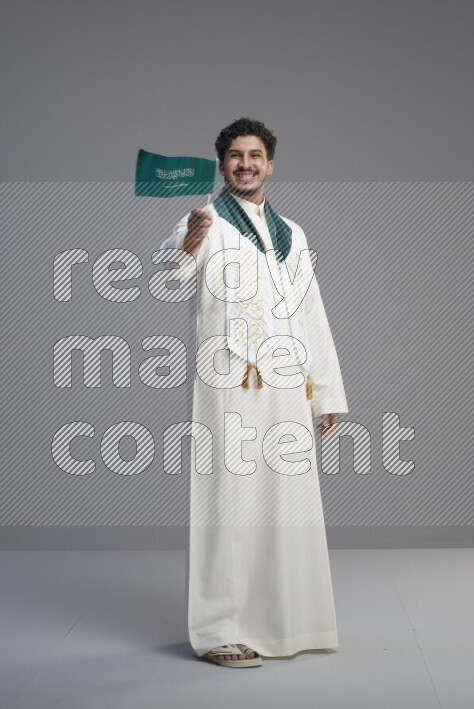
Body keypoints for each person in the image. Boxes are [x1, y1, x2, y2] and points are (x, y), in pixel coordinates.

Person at [160, 117, 348, 668]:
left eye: (256, 154)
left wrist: (326, 393)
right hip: (229, 384)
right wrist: (188, 239)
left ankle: (285, 622)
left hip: (287, 385)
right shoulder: (206, 219)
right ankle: (219, 630)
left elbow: (310, 312)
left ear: (270, 164)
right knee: (228, 503)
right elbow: (171, 276)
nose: (246, 163)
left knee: (286, 504)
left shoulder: (294, 232)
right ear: (221, 166)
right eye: (236, 155)